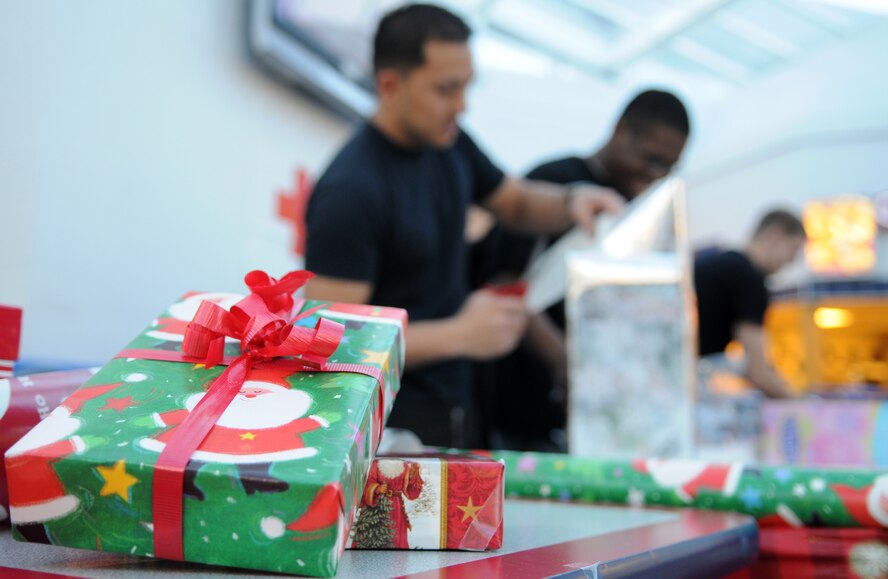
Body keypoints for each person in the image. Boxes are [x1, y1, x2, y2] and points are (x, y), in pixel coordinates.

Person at [304, 4, 623, 448]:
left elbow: (515, 201)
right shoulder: (351, 192)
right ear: (390, 85)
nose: (462, 104)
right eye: (446, 89)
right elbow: (334, 347)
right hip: (390, 433)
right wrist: (460, 335)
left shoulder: (449, 143)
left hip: (455, 404)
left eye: (467, 86)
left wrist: (572, 201)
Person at [470, 90, 690, 450]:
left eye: (668, 167)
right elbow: (503, 282)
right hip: (516, 405)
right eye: (651, 159)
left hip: (580, 413)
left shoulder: (635, 209)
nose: (655, 175)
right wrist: (567, 361)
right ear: (622, 132)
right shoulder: (554, 181)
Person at [694, 209, 807, 398]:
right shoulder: (749, 280)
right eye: (794, 250)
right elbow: (758, 371)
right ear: (775, 234)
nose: (791, 261)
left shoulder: (714, 262)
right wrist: (801, 402)